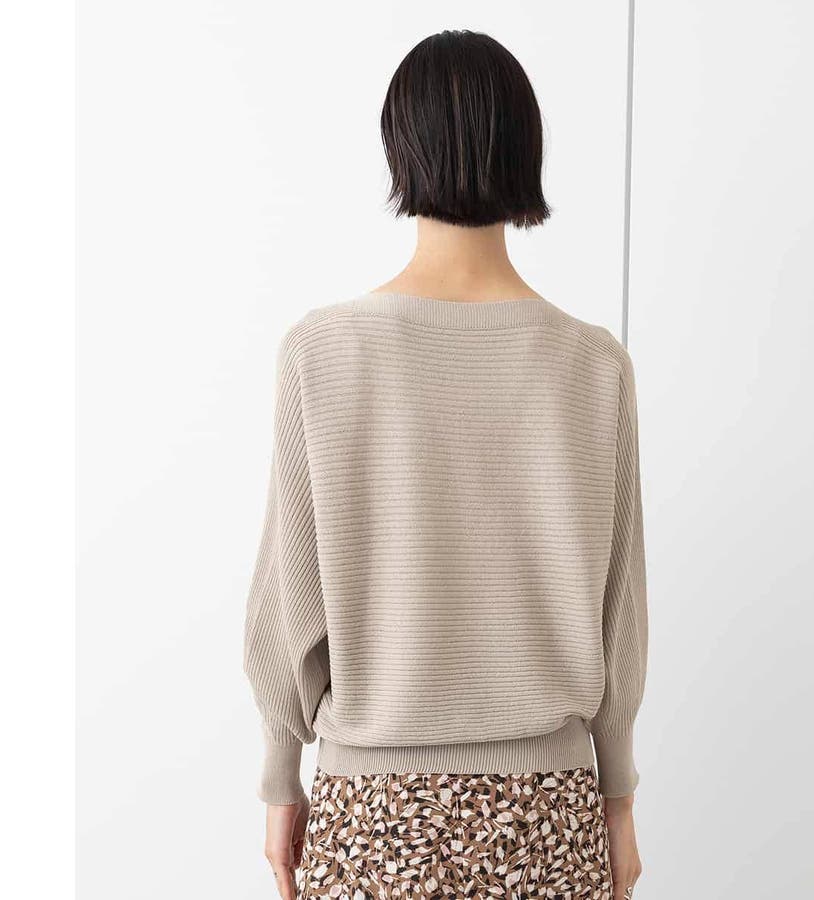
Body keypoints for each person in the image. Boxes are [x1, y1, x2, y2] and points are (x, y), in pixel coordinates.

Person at [244, 29, 647, 900]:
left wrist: (281, 776)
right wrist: (617, 798)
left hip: (371, 818)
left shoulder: (322, 354)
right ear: (526, 149)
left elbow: (289, 600)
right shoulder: (595, 366)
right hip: (549, 820)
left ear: (402, 148)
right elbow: (621, 613)